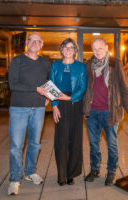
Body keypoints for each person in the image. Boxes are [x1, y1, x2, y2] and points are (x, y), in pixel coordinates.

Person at [83, 38, 128, 186]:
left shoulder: (115, 63)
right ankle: (95, 169)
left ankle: (111, 171)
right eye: (95, 49)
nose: (97, 51)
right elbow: (84, 89)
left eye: (100, 48)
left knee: (112, 143)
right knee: (94, 143)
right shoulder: (87, 65)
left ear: (106, 48)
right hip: (92, 112)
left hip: (110, 112)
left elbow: (124, 88)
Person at [7, 32, 50, 195]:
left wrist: (47, 96)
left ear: (41, 45)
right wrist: (36, 89)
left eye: (37, 41)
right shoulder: (17, 61)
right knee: (16, 146)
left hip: (38, 109)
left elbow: (47, 82)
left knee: (35, 143)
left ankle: (30, 172)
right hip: (19, 108)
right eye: (31, 40)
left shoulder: (45, 63)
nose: (34, 43)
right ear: (27, 42)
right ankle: (15, 178)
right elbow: (13, 84)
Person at [49, 38, 86, 186]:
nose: (68, 50)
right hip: (60, 105)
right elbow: (51, 86)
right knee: (61, 140)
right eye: (66, 47)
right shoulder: (55, 65)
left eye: (72, 47)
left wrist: (70, 97)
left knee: (75, 139)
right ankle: (62, 175)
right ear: (61, 49)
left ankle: (71, 174)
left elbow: (83, 87)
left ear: (75, 51)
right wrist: (55, 106)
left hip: (75, 103)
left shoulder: (80, 66)